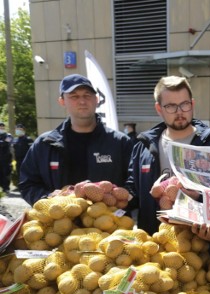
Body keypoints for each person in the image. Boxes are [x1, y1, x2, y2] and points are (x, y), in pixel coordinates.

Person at [125, 75, 210, 235]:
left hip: (201, 246)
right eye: (171, 106)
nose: (180, 112)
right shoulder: (143, 147)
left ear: (192, 104)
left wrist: (197, 197)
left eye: (184, 104)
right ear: (159, 109)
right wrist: (111, 197)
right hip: (155, 244)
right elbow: (133, 190)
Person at [19, 74, 132, 205]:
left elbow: (134, 183)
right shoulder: (45, 144)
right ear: (62, 101)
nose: (82, 101)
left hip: (107, 221)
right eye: (74, 96)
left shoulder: (120, 142)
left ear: (96, 99)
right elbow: (28, 183)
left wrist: (116, 201)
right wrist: (49, 199)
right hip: (60, 222)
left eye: (87, 95)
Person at [0, 123, 12, 193]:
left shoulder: (8, 135)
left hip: (5, 158)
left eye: (2, 127)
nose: (1, 128)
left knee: (6, 173)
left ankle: (6, 188)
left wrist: (2, 143)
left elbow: (6, 144)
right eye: (0, 127)